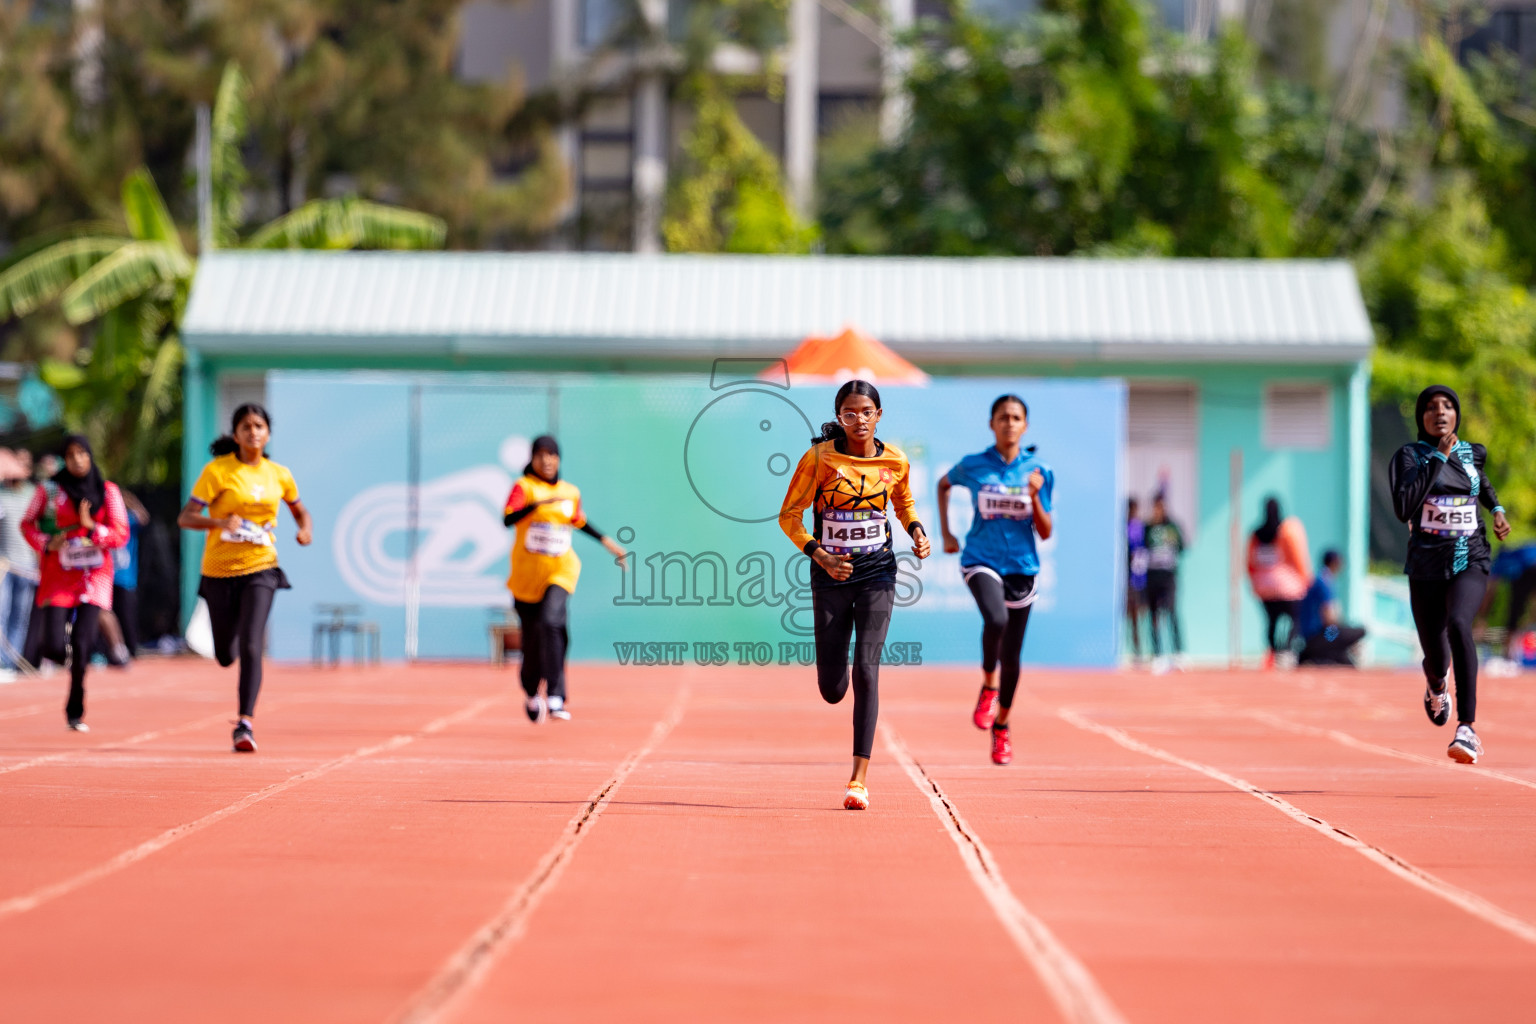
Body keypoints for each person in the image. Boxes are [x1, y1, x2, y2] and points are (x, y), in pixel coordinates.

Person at [780, 380, 930, 810]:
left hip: (877, 572)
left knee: (868, 667)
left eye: (866, 411)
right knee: (832, 688)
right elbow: (789, 515)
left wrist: (916, 530)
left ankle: (858, 779)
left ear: (878, 415)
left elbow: (903, 503)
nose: (859, 420)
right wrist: (820, 555)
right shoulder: (819, 459)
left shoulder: (896, 459)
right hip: (829, 575)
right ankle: (835, 668)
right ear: (840, 416)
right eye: (849, 413)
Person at [178, 404, 312, 753]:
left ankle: (244, 723)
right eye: (246, 427)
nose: (253, 432)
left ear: (268, 433)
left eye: (259, 426)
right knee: (225, 654)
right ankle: (229, 643)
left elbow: (300, 510)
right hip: (220, 571)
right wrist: (219, 523)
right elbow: (186, 518)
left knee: (253, 644)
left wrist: (304, 530)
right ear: (235, 435)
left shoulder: (279, 474)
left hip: (261, 566)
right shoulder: (218, 471)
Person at [1389, 384, 1511, 764]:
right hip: (1426, 566)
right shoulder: (1409, 457)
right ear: (1421, 418)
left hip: (1470, 559)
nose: (1440, 413)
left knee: (1460, 623)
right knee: (1436, 657)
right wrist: (1437, 460)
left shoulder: (1473, 452)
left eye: (1447, 407)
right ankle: (1436, 684)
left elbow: (1482, 484)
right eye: (1430, 408)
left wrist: (1497, 510)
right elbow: (1404, 505)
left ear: (1456, 414)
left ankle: (1467, 728)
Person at [937, 394, 1054, 766]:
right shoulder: (974, 465)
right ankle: (989, 683)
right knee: (996, 619)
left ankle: (1001, 726)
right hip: (980, 559)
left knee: (1013, 655)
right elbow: (942, 485)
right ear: (992, 424)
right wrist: (947, 534)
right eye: (1002, 417)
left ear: (1025, 426)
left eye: (1016, 417)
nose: (1009, 423)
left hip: (1022, 566)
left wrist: (1035, 498)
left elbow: (1046, 531)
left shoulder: (1039, 470)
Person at [502, 435, 627, 723]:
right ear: (532, 459)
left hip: (560, 570)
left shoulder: (570, 492)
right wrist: (536, 506)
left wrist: (608, 542)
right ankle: (532, 691)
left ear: (559, 459)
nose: (547, 461)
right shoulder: (525, 488)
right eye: (541, 455)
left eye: (553, 455)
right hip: (525, 577)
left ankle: (557, 696)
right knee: (532, 640)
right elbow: (508, 518)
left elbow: (578, 521)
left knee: (552, 622)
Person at [20, 436, 129, 730]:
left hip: (95, 577)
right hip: (59, 576)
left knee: (83, 644)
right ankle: (63, 651)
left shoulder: (108, 491)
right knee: (54, 647)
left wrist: (93, 528)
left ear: (91, 456)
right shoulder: (50, 490)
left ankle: (75, 708)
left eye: (82, 453)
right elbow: (27, 523)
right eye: (70, 455)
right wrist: (46, 542)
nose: (77, 460)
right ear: (64, 460)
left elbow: (121, 534)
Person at [1246, 496, 1313, 668]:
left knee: (1271, 622)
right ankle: (1286, 651)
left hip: (1264, 587)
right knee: (1294, 619)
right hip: (1287, 586)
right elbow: (1297, 557)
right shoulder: (1287, 530)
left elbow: (1250, 562)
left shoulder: (1256, 534)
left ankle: (1272, 652)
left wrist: (1254, 582)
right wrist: (1306, 578)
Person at [97, 491, 149, 666]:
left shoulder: (127, 519)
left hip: (125, 577)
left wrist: (129, 498)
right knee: (103, 613)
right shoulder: (102, 519)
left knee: (126, 616)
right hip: (105, 576)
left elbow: (144, 518)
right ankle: (111, 651)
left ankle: (130, 650)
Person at [0, 449, 39, 675]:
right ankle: (1, 662)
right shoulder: (0, 495)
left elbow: (38, 530)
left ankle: (11, 664)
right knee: (1, 613)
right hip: (4, 566)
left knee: (20, 616)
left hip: (27, 566)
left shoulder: (33, 495)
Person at [1295, 550, 1367, 666]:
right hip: (1318, 636)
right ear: (1335, 563)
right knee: (1360, 631)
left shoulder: (1319, 578)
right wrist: (1347, 638)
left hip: (1309, 637)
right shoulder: (1325, 581)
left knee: (1344, 654)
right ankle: (1321, 651)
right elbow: (1329, 618)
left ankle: (1327, 654)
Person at [1144, 494, 1184, 671]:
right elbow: (1141, 549)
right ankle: (1157, 654)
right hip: (1152, 578)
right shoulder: (1147, 527)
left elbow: (1182, 547)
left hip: (1169, 578)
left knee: (1172, 613)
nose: (1159, 510)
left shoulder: (1173, 527)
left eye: (1162, 506)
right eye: (1156, 507)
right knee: (1154, 616)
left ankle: (1177, 653)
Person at [1126, 498, 1148, 661]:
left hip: (1137, 579)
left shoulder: (1140, 528)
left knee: (1137, 613)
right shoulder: (1122, 528)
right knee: (1130, 614)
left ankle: (1139, 650)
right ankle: (1134, 649)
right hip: (1126, 579)